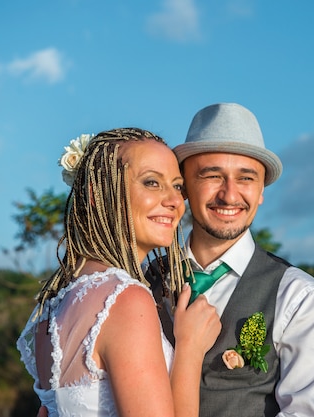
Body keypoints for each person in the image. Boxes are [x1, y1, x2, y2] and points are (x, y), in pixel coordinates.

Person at [149, 103, 314, 417]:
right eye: (212, 176)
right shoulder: (140, 280)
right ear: (183, 187)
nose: (230, 195)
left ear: (261, 191)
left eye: (246, 179)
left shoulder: (298, 295)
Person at [18, 128, 221, 417]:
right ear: (96, 194)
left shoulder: (52, 306)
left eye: (178, 186)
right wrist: (189, 349)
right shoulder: (124, 300)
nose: (175, 201)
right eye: (152, 182)